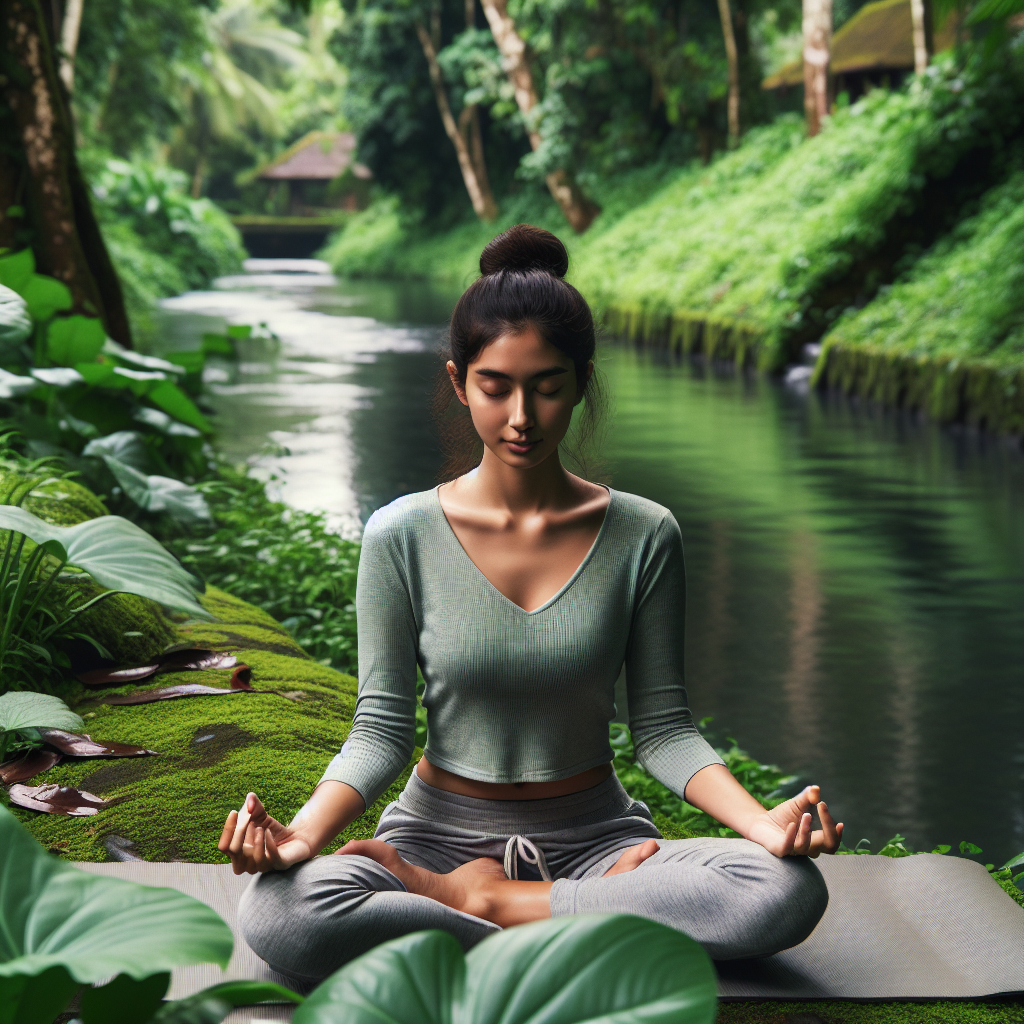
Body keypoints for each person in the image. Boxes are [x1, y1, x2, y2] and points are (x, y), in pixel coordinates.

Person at [224, 224, 840, 985]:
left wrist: (762, 825)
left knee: (784, 892)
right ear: (459, 382)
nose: (522, 415)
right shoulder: (400, 535)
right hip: (433, 838)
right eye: (496, 387)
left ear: (581, 382)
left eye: (548, 387)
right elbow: (380, 728)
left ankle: (481, 906)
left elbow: (665, 730)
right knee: (281, 913)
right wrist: (300, 838)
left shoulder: (645, 533)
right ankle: (569, 918)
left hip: (600, 840)